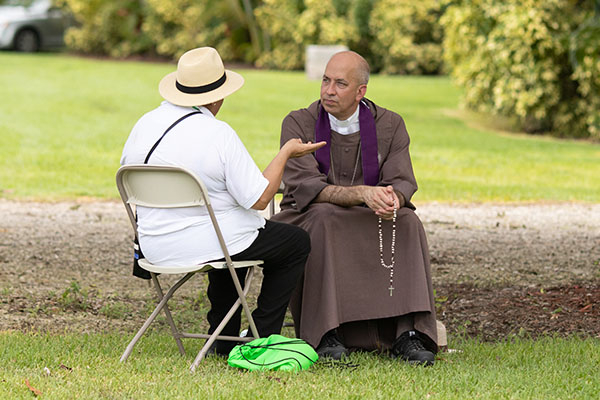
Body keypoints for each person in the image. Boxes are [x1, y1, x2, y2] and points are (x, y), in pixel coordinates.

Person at [121, 47, 325, 356]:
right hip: (203, 243)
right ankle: (261, 335)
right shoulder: (218, 133)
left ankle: (223, 335)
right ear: (218, 96)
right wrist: (285, 153)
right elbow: (258, 198)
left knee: (228, 232)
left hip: (153, 245)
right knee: (293, 242)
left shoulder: (144, 124)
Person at [271, 51, 438, 365]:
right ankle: (325, 333)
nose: (328, 90)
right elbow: (308, 187)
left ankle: (408, 334)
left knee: (406, 222)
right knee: (324, 218)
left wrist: (393, 200)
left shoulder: (390, 124)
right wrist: (362, 193)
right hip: (308, 213)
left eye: (340, 84)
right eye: (325, 80)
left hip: (367, 214)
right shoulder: (299, 122)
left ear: (360, 92)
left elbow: (402, 180)